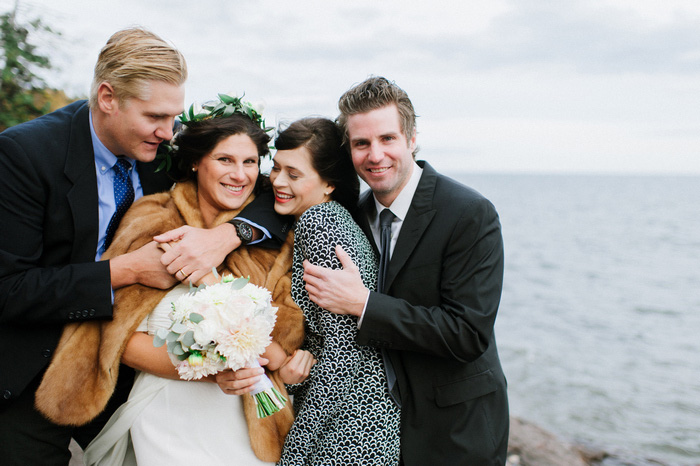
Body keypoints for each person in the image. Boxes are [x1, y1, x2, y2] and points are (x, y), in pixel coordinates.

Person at [0, 28, 276, 465]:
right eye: (156, 118)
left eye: (172, 117)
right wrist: (127, 270)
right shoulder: (24, 155)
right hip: (35, 374)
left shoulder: (158, 148)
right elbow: (10, 289)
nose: (169, 133)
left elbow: (264, 192)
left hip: (132, 378)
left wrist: (224, 236)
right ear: (107, 97)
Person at [67, 101, 308, 465]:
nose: (240, 175)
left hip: (249, 422)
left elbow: (285, 338)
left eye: (249, 162)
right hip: (165, 418)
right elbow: (112, 333)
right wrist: (209, 369)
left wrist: (278, 360)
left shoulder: (273, 237)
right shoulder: (150, 219)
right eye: (225, 160)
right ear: (196, 161)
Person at [301, 77, 510, 465]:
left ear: (412, 138)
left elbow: (467, 333)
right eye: (362, 143)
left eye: (387, 139)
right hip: (375, 431)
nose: (375, 154)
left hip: (454, 430)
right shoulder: (351, 216)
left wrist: (364, 305)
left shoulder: (469, 213)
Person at [269, 118, 400, 465]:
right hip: (361, 417)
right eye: (276, 168)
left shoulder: (320, 224)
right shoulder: (335, 218)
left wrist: (296, 450)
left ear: (328, 183)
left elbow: (344, 354)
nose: (278, 182)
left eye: (293, 175)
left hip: (350, 428)